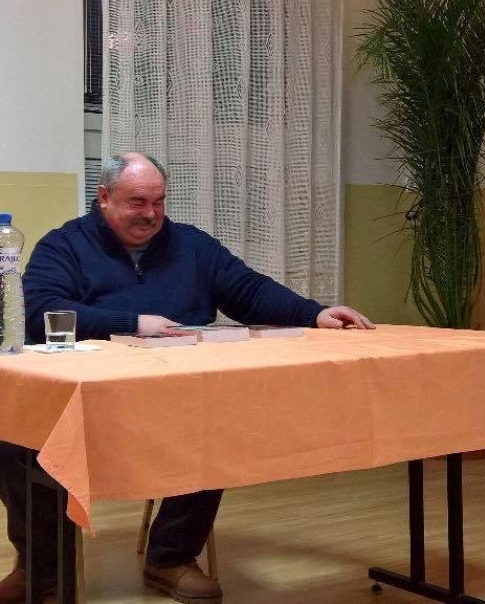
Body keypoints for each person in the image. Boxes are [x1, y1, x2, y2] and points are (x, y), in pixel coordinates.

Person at [0, 152, 375, 604]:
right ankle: (41, 569)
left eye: (159, 202)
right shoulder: (64, 245)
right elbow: (42, 310)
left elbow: (249, 290)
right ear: (103, 198)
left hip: (177, 396)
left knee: (218, 418)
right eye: (137, 202)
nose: (151, 214)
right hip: (89, 399)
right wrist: (133, 323)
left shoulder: (192, 245)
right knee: (12, 437)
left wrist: (314, 313)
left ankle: (172, 557)